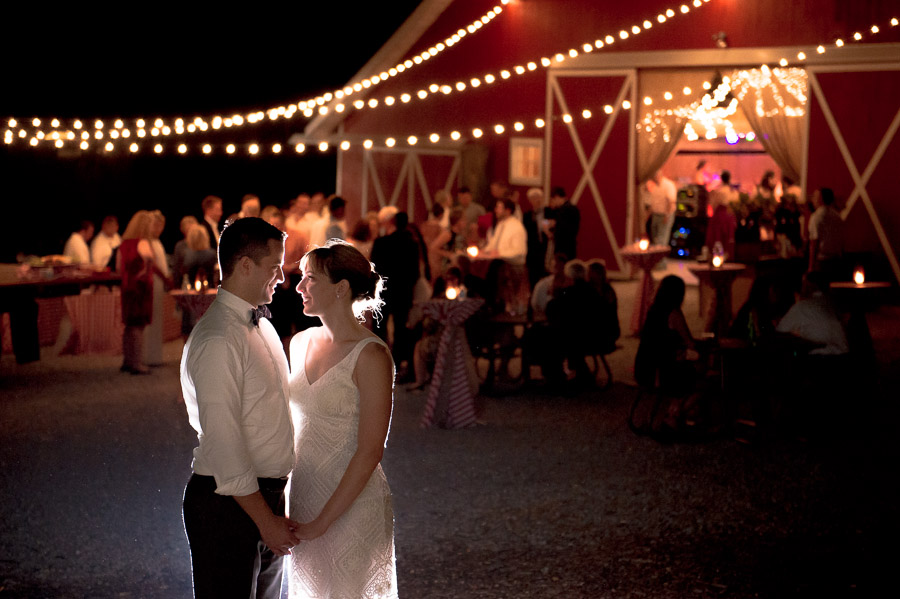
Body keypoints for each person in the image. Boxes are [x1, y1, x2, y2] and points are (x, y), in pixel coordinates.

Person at [181, 217, 300, 599]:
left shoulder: (261, 326)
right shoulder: (218, 337)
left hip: (263, 497)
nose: (281, 277)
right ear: (245, 265)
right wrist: (265, 520)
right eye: (274, 266)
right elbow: (223, 442)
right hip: (227, 505)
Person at [287, 240, 397, 599]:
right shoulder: (299, 343)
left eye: (309, 279)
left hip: (351, 505)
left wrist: (323, 522)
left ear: (341, 288)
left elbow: (370, 452)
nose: (299, 287)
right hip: (302, 495)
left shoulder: (372, 356)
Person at [118, 211, 161, 375]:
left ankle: (127, 360)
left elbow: (118, 267)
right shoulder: (142, 242)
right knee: (138, 326)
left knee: (129, 325)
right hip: (140, 287)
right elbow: (149, 257)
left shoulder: (125, 243)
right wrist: (146, 270)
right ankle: (137, 363)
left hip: (127, 286)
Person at [145, 210, 171, 366]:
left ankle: (154, 355)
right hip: (154, 281)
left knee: (157, 317)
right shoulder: (147, 241)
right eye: (157, 225)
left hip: (159, 282)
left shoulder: (156, 241)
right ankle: (148, 355)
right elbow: (153, 264)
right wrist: (165, 277)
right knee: (152, 316)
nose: (160, 229)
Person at [807, 187, 844, 277]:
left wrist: (811, 267)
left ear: (821, 199)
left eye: (815, 197)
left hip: (822, 261)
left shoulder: (816, 216)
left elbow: (814, 242)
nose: (813, 200)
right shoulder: (836, 215)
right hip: (837, 260)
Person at [642, 171, 677, 247]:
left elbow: (671, 202)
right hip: (655, 215)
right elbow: (653, 203)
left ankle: (660, 258)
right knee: (654, 238)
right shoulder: (655, 187)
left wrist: (667, 215)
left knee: (662, 239)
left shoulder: (668, 185)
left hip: (664, 216)